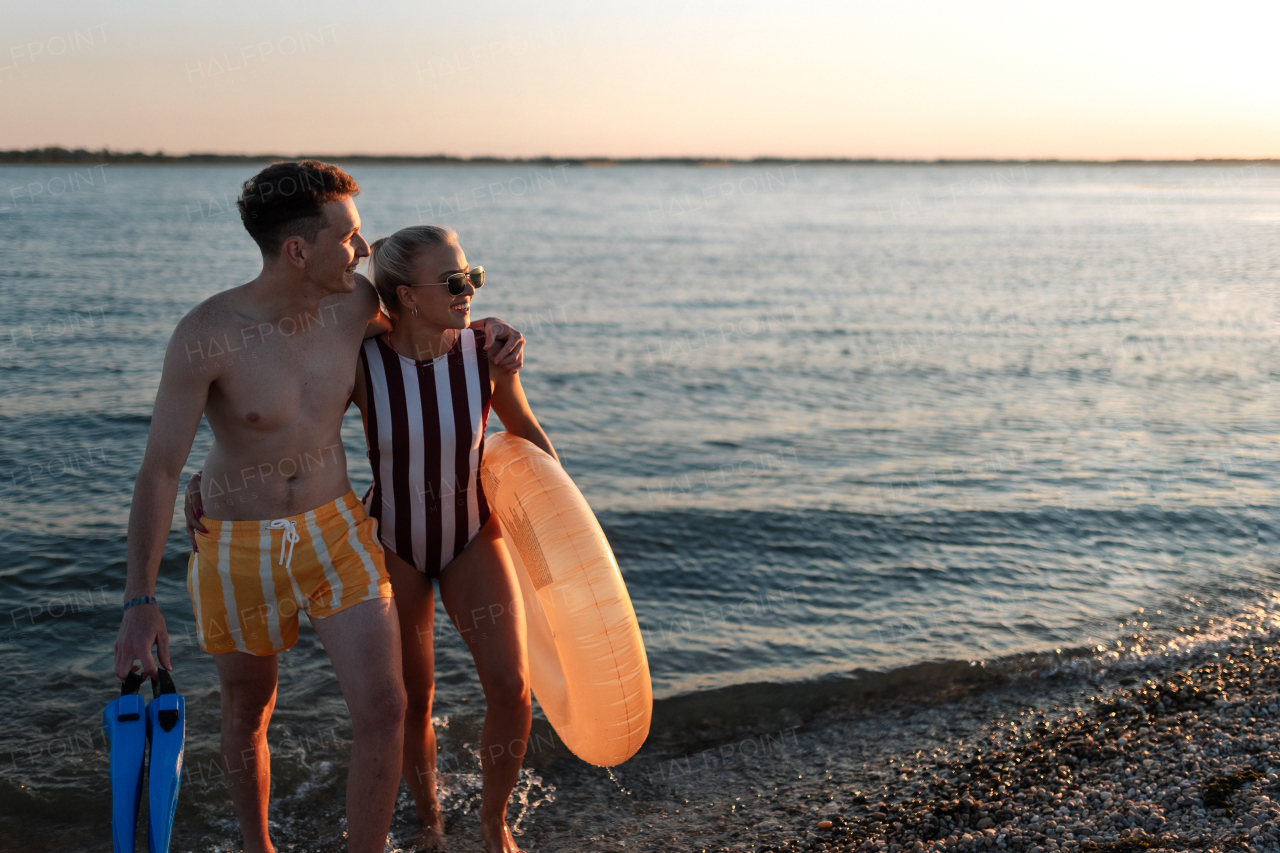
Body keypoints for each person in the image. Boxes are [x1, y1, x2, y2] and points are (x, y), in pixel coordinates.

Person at [114, 160, 524, 853]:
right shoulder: (206, 333)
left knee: (387, 706)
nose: (363, 249)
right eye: (351, 236)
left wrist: (490, 329)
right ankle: (258, 845)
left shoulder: (356, 304)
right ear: (299, 250)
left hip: (337, 530)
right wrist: (139, 600)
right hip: (236, 544)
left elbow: (428, 323)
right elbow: (159, 468)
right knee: (249, 709)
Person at [190, 224, 554, 853]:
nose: (468, 290)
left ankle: (494, 825)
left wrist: (565, 530)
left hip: (473, 535)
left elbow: (528, 437)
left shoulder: (485, 356)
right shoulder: (362, 363)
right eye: (454, 280)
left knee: (512, 687)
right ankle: (428, 818)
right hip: (393, 539)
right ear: (407, 296)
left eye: (474, 278)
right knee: (412, 699)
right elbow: (292, 428)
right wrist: (212, 476)